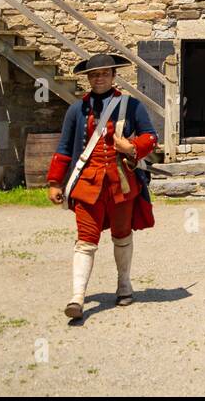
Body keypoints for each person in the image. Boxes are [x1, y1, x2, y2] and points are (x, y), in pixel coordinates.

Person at [47, 54, 158, 319]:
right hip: (87, 184)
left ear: (113, 76)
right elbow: (63, 148)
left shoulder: (132, 106)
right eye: (94, 75)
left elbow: (151, 137)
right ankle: (77, 297)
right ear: (88, 79)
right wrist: (54, 182)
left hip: (121, 183)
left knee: (121, 235)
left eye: (104, 74)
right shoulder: (76, 110)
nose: (99, 79)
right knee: (85, 240)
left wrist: (131, 147)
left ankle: (123, 285)